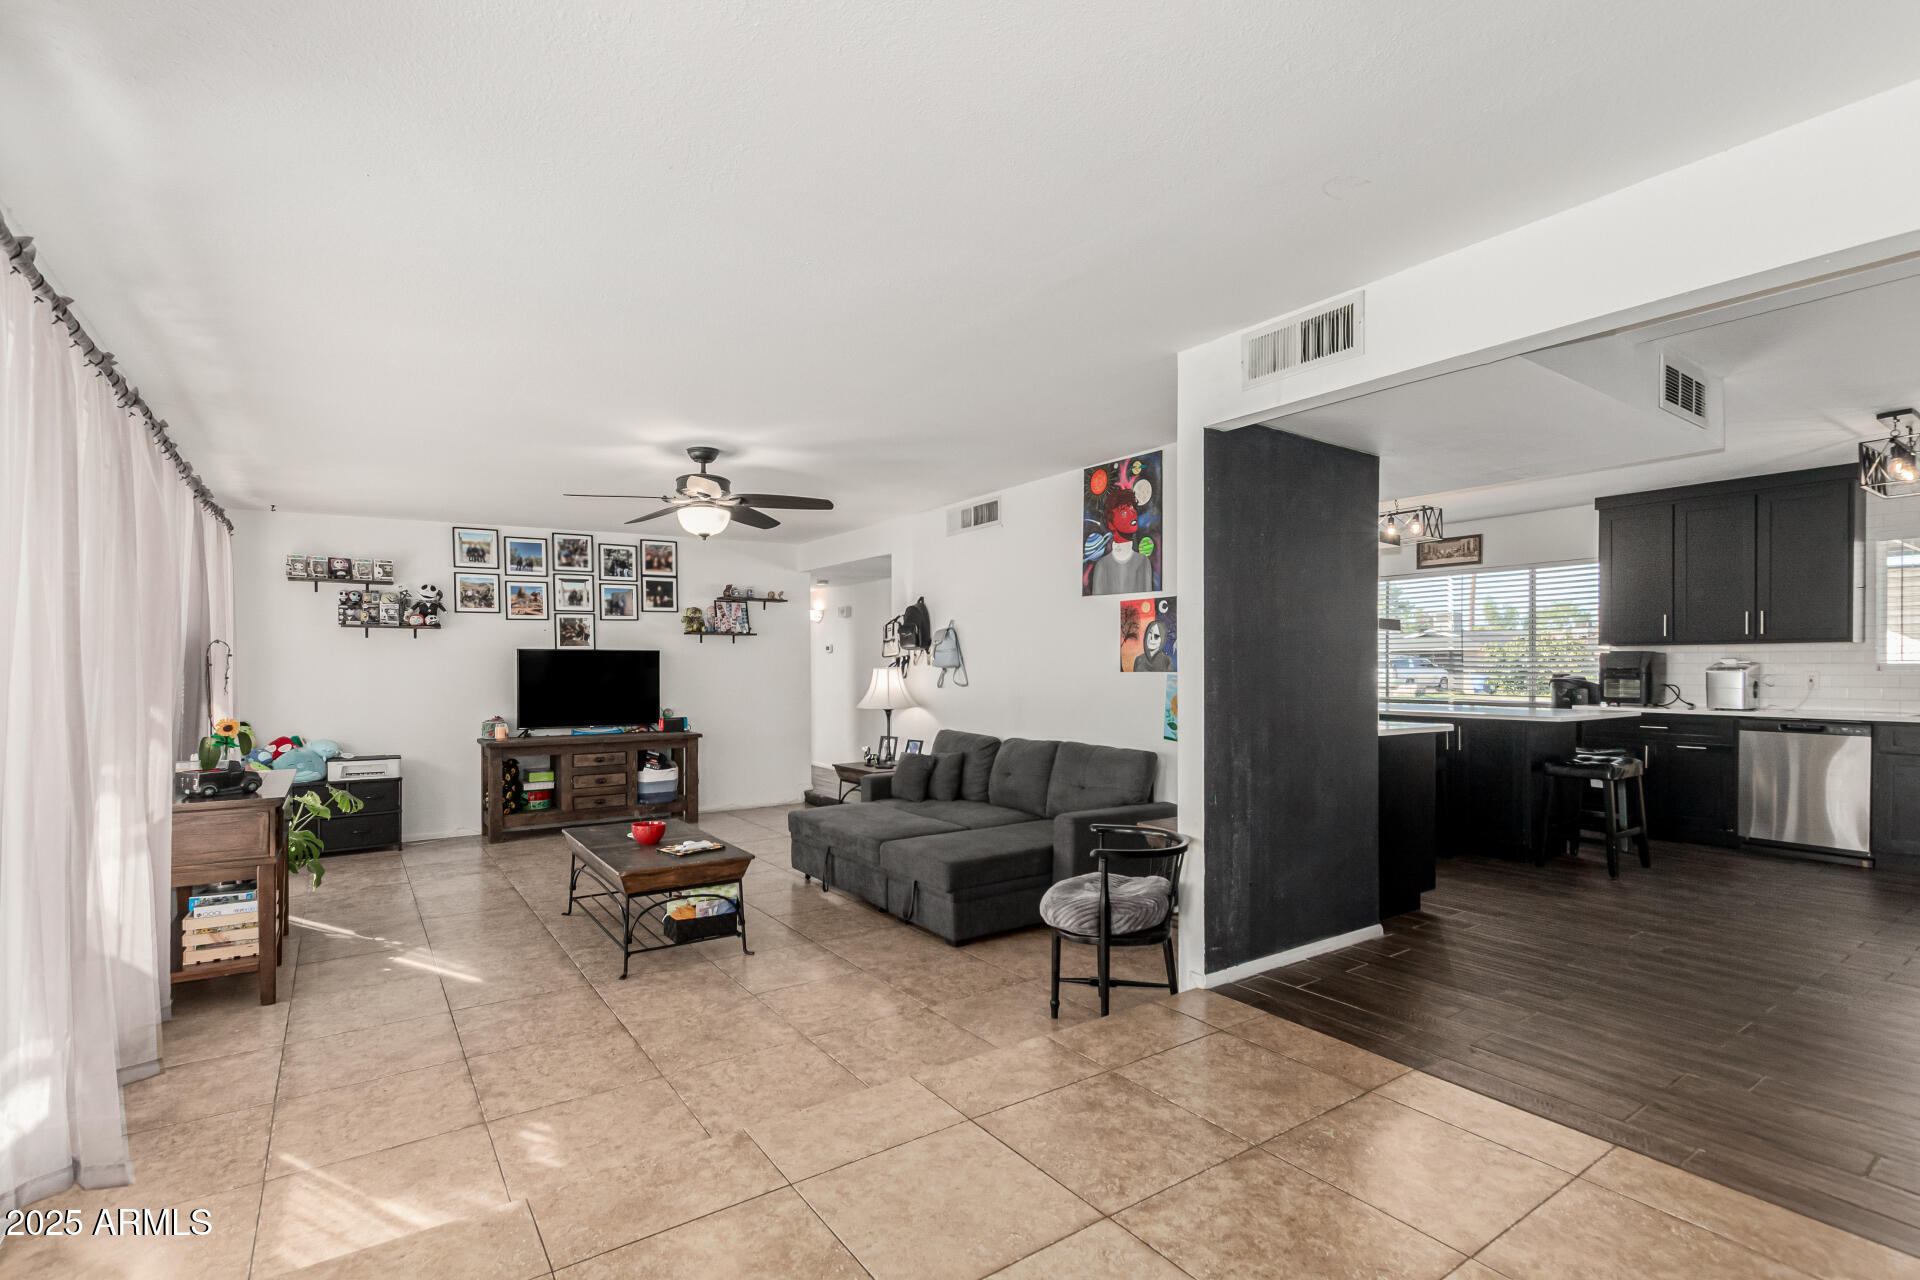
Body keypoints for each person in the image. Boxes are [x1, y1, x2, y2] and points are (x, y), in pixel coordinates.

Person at [1086, 487, 1154, 595]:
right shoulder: (1102, 565)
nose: (1132, 514)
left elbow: (1147, 602)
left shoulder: (1142, 561)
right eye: (1123, 512)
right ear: (1111, 524)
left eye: (1132, 507)